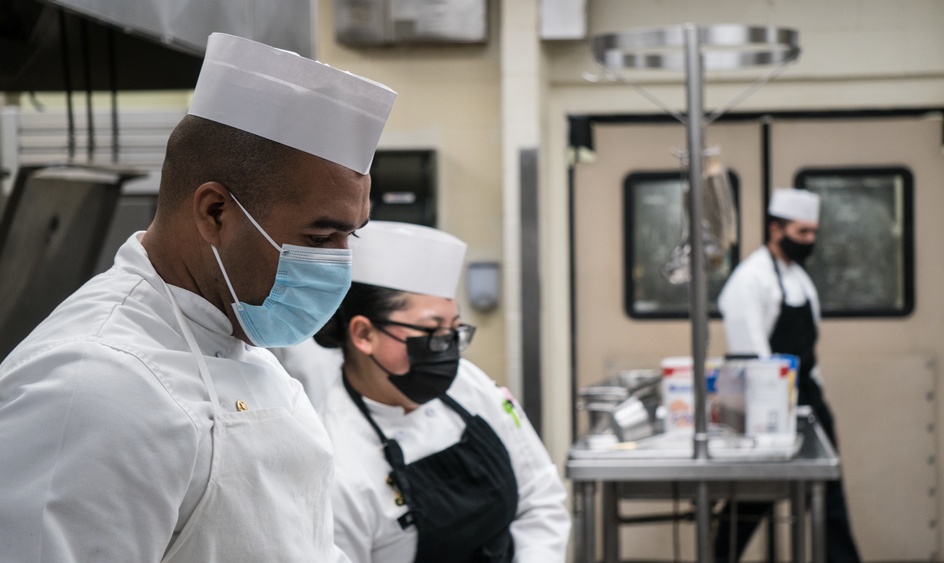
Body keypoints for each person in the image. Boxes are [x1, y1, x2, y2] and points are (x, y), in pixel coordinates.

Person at [0, 33, 395, 561]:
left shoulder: (243, 340)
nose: (339, 265)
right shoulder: (90, 385)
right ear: (214, 213)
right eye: (320, 239)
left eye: (352, 236)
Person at [272, 221, 570, 563]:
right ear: (364, 335)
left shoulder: (467, 385)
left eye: (454, 330)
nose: (447, 350)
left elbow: (540, 498)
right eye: (431, 331)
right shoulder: (337, 462)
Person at [714, 188, 861, 562]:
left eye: (813, 233)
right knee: (751, 500)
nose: (810, 241)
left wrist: (826, 415)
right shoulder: (750, 280)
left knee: (828, 498)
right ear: (775, 229)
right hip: (764, 403)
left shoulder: (800, 280)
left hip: (807, 396)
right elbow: (751, 358)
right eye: (802, 233)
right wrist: (773, 417)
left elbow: (810, 357)